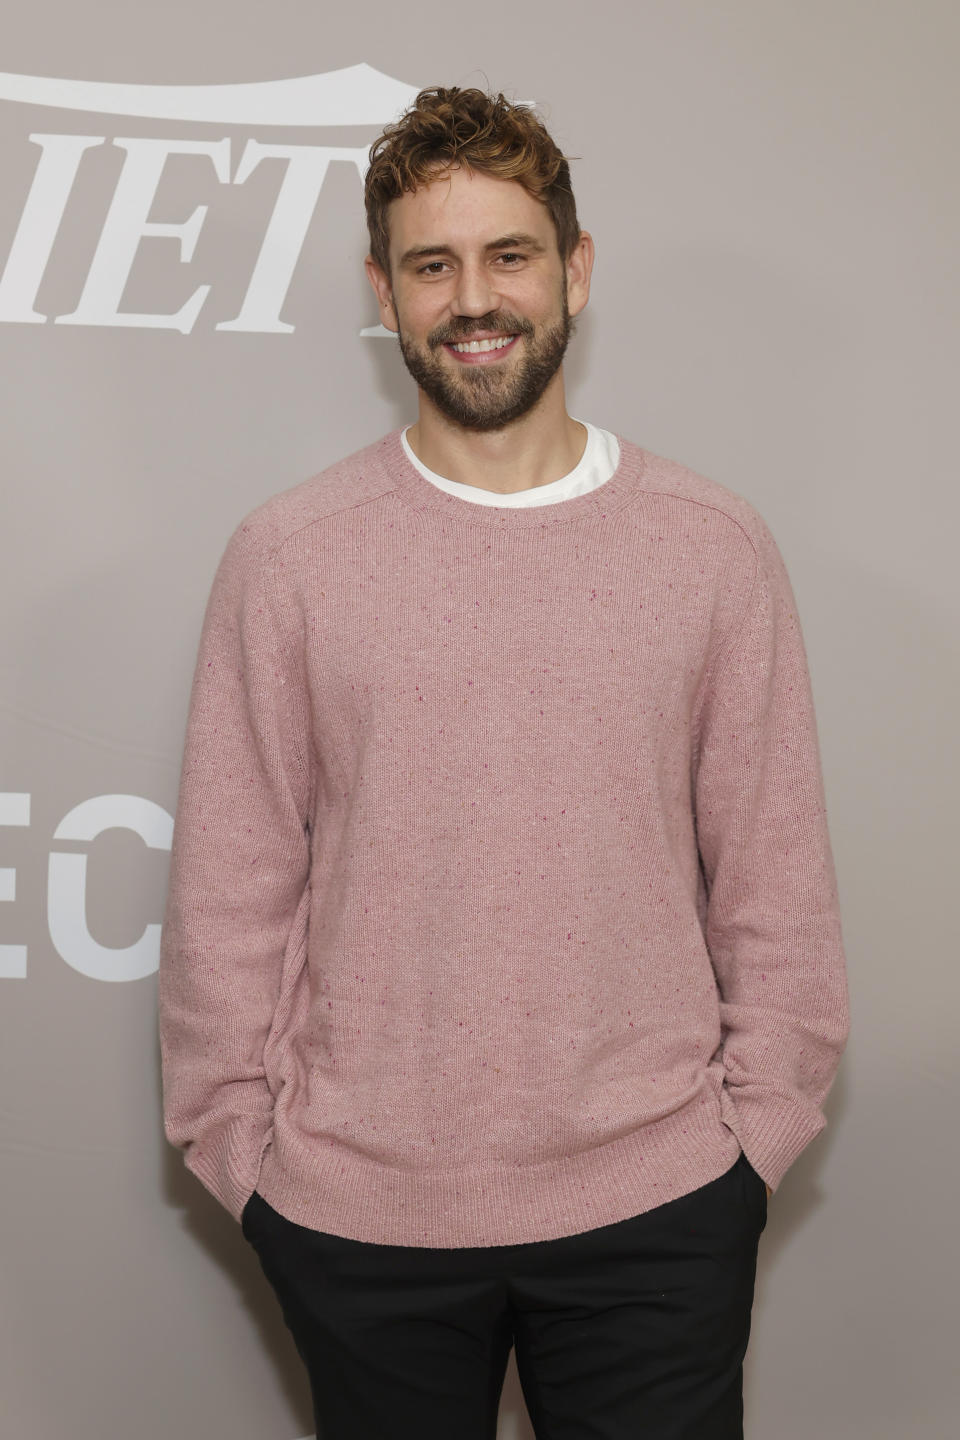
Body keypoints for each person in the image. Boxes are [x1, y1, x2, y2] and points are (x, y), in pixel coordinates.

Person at [158, 86, 850, 1440]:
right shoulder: (290, 557)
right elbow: (229, 897)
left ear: (575, 269)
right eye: (432, 265)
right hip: (360, 1219)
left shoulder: (712, 546)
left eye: (510, 255)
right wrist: (243, 1159)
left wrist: (751, 1145)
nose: (475, 300)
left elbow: (775, 882)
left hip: (659, 1210)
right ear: (386, 293)